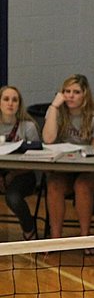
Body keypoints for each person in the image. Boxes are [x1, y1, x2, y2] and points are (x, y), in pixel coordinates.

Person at [42, 74, 94, 251]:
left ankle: (84, 239)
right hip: (65, 170)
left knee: (82, 185)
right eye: (66, 91)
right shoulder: (56, 112)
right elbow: (48, 140)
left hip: (90, 172)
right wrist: (54, 106)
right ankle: (55, 240)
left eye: (76, 92)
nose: (70, 96)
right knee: (54, 185)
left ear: (85, 95)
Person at [0, 85, 41, 240]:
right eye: (6, 99)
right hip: (1, 173)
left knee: (13, 197)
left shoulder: (28, 127)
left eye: (14, 100)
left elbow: (37, 159)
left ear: (19, 104)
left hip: (23, 174)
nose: (10, 103)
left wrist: (12, 175)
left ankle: (29, 229)